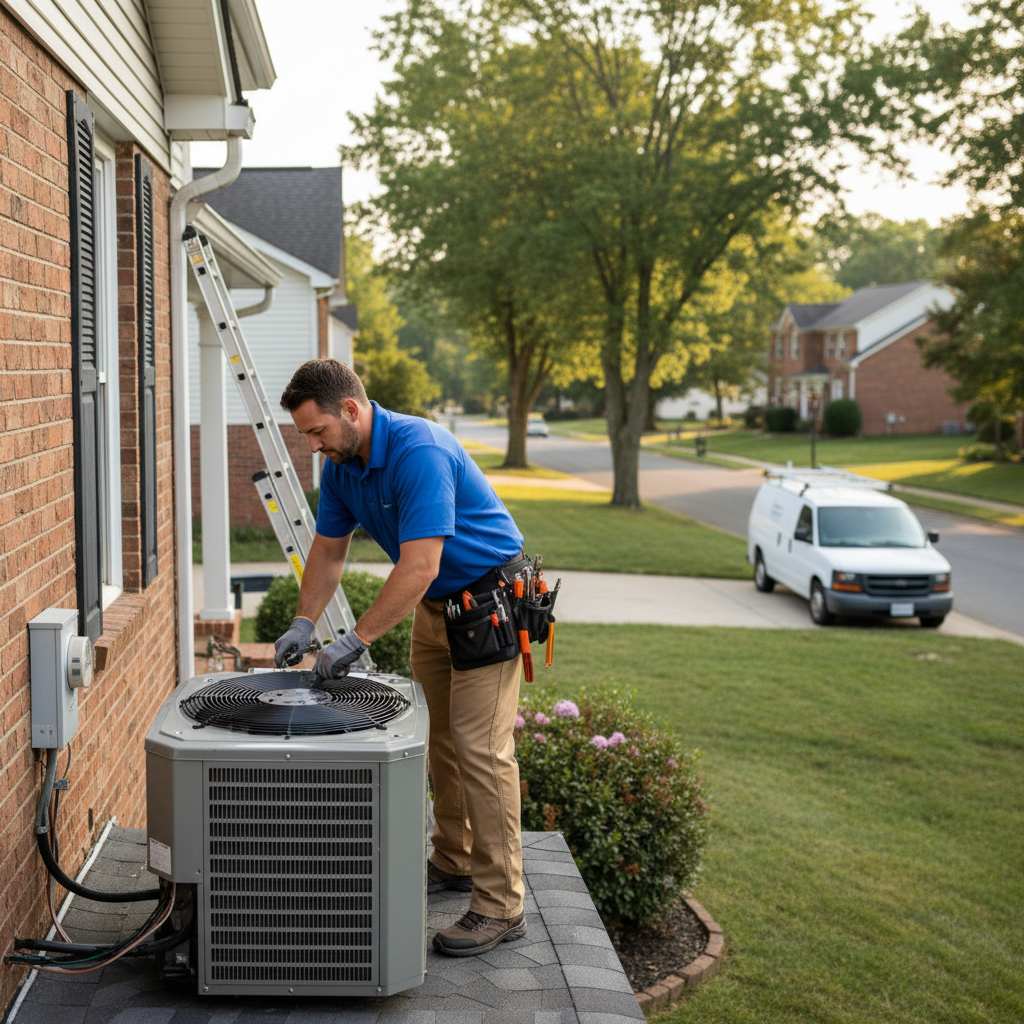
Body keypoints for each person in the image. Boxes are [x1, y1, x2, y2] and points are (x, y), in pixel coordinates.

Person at [274, 358, 530, 957]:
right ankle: (454, 858)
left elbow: (420, 564)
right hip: (435, 609)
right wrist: (304, 621)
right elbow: (329, 551)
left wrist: (355, 639)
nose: (313, 446)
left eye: (317, 432)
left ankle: (502, 905)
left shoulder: (421, 451)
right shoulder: (342, 467)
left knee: (482, 750)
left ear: (351, 410)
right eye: (306, 435)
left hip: (489, 605)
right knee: (439, 741)